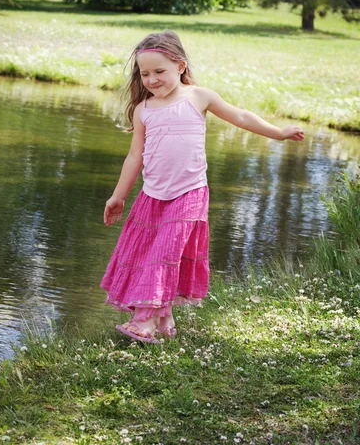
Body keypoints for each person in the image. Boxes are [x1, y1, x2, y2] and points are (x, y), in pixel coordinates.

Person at [101, 30, 304, 344]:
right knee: (149, 254)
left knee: (165, 254)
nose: (152, 79)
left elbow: (241, 116)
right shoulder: (144, 110)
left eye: (159, 72)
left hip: (189, 193)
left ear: (180, 66)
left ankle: (144, 320)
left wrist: (278, 133)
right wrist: (118, 196)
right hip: (152, 196)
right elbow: (134, 156)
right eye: (145, 74)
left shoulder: (198, 97)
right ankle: (164, 317)